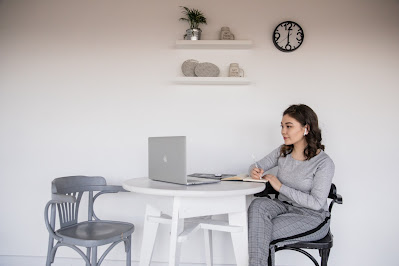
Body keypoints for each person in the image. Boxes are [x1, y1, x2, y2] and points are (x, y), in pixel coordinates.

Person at [248, 104, 335, 266]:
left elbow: (316, 203)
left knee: (258, 232)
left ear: (306, 128)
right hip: (282, 207)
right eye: (282, 126)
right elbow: (255, 166)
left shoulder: (324, 163)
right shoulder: (283, 151)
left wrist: (280, 187)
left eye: (289, 126)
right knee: (258, 205)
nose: (283, 131)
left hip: (311, 217)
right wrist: (255, 171)